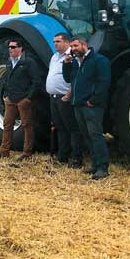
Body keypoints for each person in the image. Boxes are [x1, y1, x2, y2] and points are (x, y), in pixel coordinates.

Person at [63, 36, 112, 179]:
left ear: (84, 45)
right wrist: (66, 64)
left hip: (91, 106)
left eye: (75, 46)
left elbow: (104, 82)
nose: (73, 49)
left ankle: (103, 168)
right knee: (87, 136)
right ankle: (95, 165)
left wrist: (94, 100)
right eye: (71, 47)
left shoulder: (99, 60)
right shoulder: (76, 63)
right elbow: (68, 79)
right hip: (78, 105)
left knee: (96, 135)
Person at [0, 38, 40, 159]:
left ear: (20, 48)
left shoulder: (28, 62)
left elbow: (36, 82)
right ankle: (4, 151)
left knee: (26, 125)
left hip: (23, 100)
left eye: (13, 47)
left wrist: (28, 98)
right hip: (10, 99)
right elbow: (7, 79)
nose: (10, 49)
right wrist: (6, 94)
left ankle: (27, 153)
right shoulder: (9, 62)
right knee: (7, 124)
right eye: (9, 47)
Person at [47, 32, 83, 167]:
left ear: (67, 43)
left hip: (65, 98)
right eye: (54, 42)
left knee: (72, 128)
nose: (55, 44)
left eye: (58, 41)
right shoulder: (54, 57)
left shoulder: (72, 57)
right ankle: (62, 156)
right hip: (54, 98)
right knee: (60, 127)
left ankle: (76, 158)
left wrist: (68, 94)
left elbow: (75, 78)